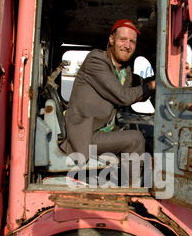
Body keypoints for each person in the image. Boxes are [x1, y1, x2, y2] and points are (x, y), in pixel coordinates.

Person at [60, 20, 155, 178]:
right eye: (122, 39)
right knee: (136, 139)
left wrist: (174, 77)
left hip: (103, 130)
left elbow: (142, 86)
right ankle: (130, 190)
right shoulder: (96, 60)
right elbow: (124, 96)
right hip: (86, 133)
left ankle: (126, 179)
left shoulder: (124, 71)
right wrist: (151, 86)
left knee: (140, 132)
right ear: (111, 40)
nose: (127, 45)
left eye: (132, 42)